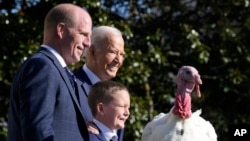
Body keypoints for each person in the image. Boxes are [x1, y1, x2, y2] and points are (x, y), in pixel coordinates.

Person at [7, 3, 92, 141]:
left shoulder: (54, 69)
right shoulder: (42, 67)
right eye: (83, 34)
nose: (88, 43)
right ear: (61, 30)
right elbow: (38, 131)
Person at [74, 25, 125, 140]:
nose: (118, 60)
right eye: (113, 52)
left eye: (121, 54)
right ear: (92, 51)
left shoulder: (118, 96)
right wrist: (77, 128)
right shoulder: (70, 85)